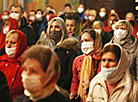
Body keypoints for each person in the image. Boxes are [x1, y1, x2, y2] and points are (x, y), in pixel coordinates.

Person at [70, 29, 102, 102]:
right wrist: (73, 92)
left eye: (87, 40)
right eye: (82, 41)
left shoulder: (102, 59)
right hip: (80, 97)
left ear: (96, 42)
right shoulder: (77, 60)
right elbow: (75, 80)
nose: (84, 43)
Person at [0, 30, 28, 99]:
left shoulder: (29, 63)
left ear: (21, 44)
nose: (8, 46)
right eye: (7, 42)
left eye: (13, 43)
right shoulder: (1, 60)